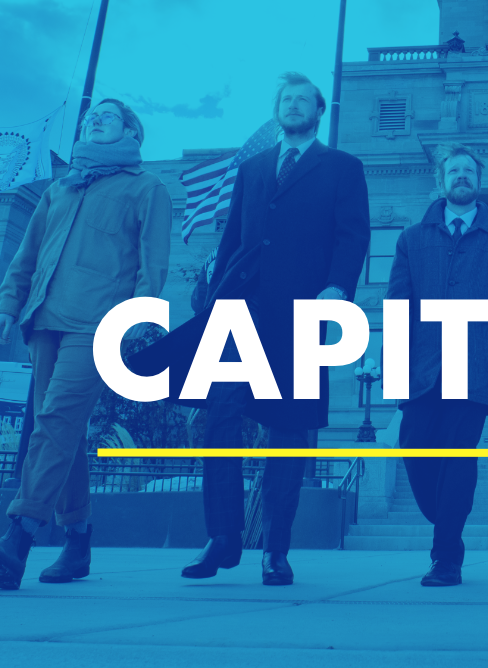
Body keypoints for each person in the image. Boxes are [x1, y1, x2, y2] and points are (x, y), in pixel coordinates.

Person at [130, 72, 370, 585]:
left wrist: (338, 288)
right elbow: (234, 234)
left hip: (301, 311)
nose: (293, 105)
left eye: (302, 99)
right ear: (277, 110)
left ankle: (275, 549)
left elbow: (353, 235)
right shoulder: (254, 168)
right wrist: (215, 292)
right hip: (240, 311)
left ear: (318, 110)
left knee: (288, 429)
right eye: (286, 99)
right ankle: (222, 537)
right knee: (222, 418)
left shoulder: (343, 168)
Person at [0, 99, 172, 589]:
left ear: (131, 130)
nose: (95, 119)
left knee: (54, 421)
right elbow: (26, 256)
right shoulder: (60, 189)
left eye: (108, 115)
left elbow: (153, 262)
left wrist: (137, 319)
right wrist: (6, 308)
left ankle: (18, 536)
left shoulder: (147, 188)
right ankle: (78, 541)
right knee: (64, 431)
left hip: (99, 325)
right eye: (90, 116)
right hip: (43, 323)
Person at [385, 143, 488, 586]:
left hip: (475, 368)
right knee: (414, 450)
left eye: (469, 171)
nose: (461, 176)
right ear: (441, 181)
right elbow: (397, 305)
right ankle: (444, 515)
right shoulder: (411, 238)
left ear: (478, 182)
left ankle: (447, 556)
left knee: (459, 458)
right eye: (454, 171)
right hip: (422, 369)